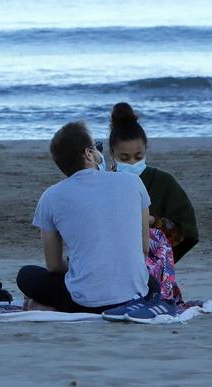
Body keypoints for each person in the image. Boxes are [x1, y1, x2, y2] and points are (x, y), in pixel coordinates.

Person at [17, 121, 150, 313]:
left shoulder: (51, 196)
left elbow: (54, 265)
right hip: (133, 296)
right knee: (152, 283)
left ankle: (51, 305)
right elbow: (144, 249)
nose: (100, 152)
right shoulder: (133, 182)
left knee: (26, 276)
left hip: (85, 300)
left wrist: (81, 270)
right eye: (98, 147)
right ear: (88, 153)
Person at [107, 102, 199, 262]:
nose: (132, 163)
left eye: (138, 156)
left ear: (145, 151)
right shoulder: (102, 184)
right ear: (112, 154)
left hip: (152, 265)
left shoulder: (163, 182)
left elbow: (188, 231)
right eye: (124, 158)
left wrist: (154, 222)